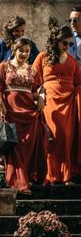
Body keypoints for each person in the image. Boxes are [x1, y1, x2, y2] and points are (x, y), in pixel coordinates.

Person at [0, 38, 46, 194]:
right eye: (21, 50)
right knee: (14, 147)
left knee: (27, 148)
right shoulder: (3, 67)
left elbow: (37, 91)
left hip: (29, 114)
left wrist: (41, 98)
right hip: (11, 113)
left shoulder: (33, 70)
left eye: (27, 51)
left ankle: (26, 178)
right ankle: (19, 183)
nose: (24, 54)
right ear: (14, 51)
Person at [33, 26, 81, 185]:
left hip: (69, 102)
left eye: (70, 44)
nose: (67, 47)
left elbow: (79, 81)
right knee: (52, 136)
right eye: (64, 43)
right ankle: (50, 175)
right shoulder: (42, 57)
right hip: (49, 100)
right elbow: (34, 81)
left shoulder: (73, 61)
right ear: (55, 41)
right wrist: (39, 96)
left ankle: (67, 175)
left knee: (67, 137)